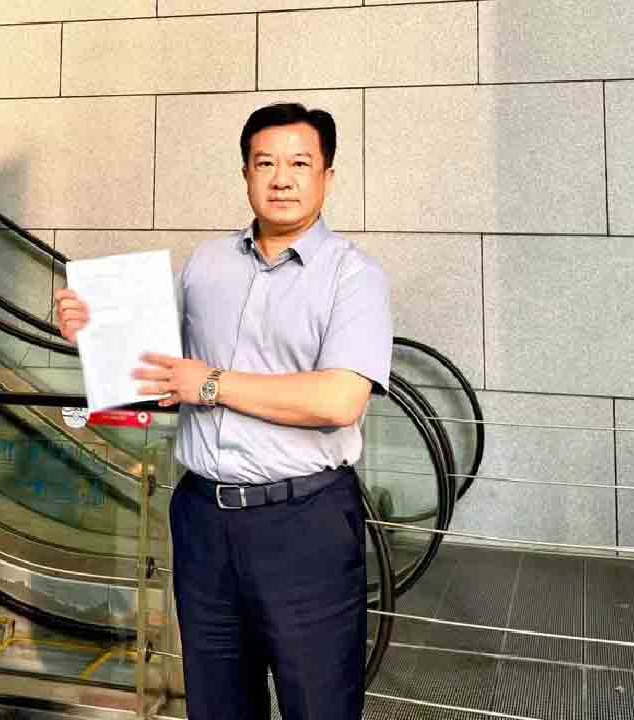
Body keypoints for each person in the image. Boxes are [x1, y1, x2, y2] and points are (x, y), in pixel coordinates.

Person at [53, 102, 392, 720]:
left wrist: (211, 384)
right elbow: (161, 371)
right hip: (203, 521)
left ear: (327, 176)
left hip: (304, 523)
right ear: (245, 174)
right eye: (265, 163)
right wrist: (94, 332)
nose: (281, 179)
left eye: (299, 164)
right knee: (217, 706)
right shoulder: (206, 266)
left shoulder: (354, 277)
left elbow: (339, 399)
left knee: (319, 706)